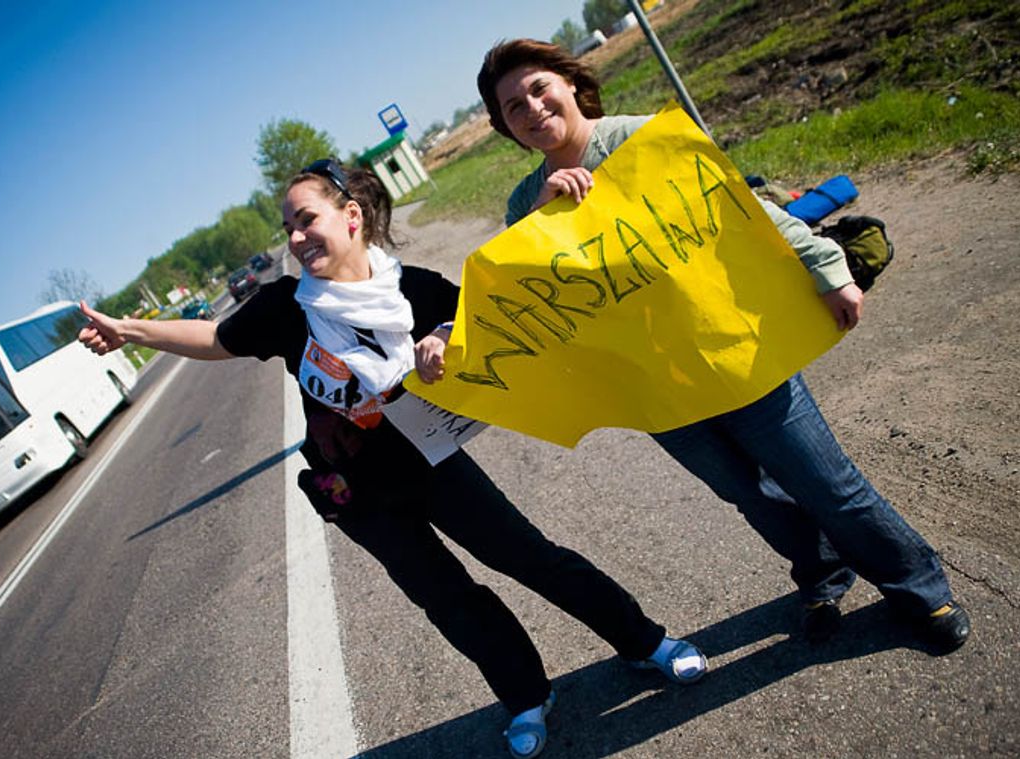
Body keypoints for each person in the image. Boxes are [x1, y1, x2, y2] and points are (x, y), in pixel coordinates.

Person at [78, 160, 707, 759]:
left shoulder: (414, 291)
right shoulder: (288, 309)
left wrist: (442, 334)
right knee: (446, 597)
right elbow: (217, 338)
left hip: (436, 465)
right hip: (359, 493)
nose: (296, 237)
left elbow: (488, 312)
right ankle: (525, 696)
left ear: (351, 216)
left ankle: (644, 640)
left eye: (307, 219)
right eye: (289, 227)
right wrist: (134, 330)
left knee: (532, 558)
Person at [471, 38, 970, 653]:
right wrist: (542, 220)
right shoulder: (523, 203)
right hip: (655, 388)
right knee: (751, 493)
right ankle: (822, 575)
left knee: (827, 482)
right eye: (513, 106)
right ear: (506, 127)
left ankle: (918, 586)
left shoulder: (640, 139)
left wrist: (825, 263)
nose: (532, 108)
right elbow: (534, 297)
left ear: (570, 84)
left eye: (538, 88)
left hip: (733, 349)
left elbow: (741, 206)